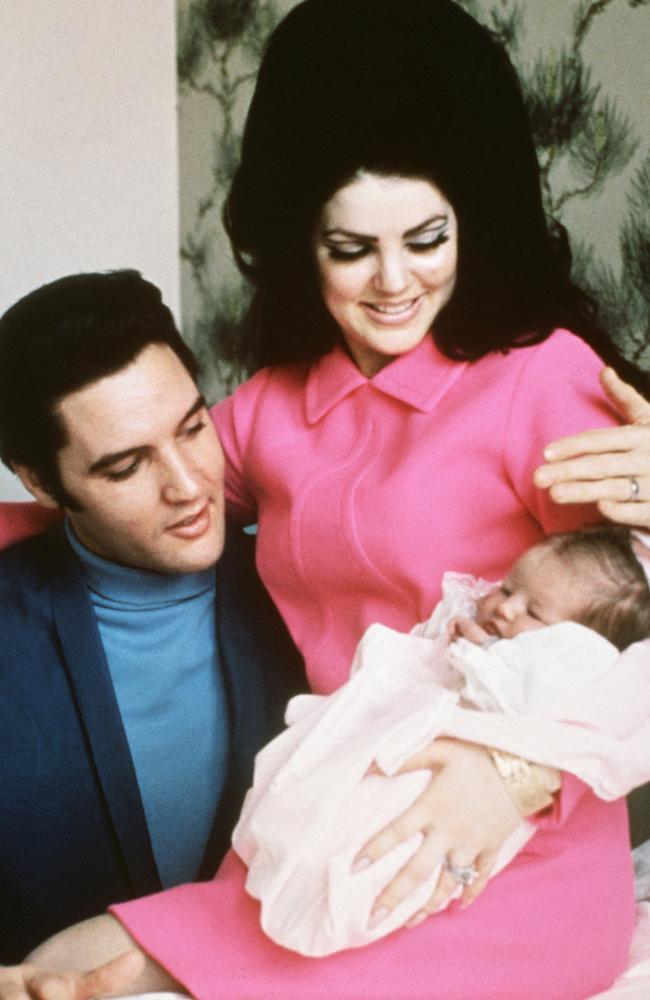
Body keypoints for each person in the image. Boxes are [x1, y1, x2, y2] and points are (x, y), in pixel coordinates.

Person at [5, 1, 650, 998]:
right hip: (329, 825)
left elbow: (635, 633)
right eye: (349, 248)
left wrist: (516, 778)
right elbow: (115, 484)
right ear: (299, 242)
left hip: (504, 849)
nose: (393, 284)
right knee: (53, 964)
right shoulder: (271, 409)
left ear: (470, 222)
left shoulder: (543, 381)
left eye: (426, 238)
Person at [0, 270, 305, 962]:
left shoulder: (304, 588)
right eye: (125, 467)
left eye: (194, 427)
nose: (190, 485)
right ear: (42, 481)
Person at [233, 525, 650, 957]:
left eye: (536, 614)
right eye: (507, 589)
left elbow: (528, 694)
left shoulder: (576, 669)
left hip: (478, 785)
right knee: (318, 812)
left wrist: (479, 655)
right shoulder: (475, 627)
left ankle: (344, 901)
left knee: (392, 851)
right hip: (406, 743)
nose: (505, 609)